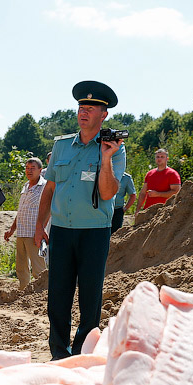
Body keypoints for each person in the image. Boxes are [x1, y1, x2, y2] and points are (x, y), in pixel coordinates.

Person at [34, 80, 127, 359]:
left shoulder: (114, 149)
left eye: (91, 108)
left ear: (103, 115)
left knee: (90, 298)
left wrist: (106, 158)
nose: (83, 112)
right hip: (61, 231)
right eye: (81, 107)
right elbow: (49, 188)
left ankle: (82, 353)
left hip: (94, 232)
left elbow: (108, 193)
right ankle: (58, 353)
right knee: (58, 296)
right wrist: (40, 225)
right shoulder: (62, 146)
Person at [4, 157, 47, 290]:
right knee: (21, 266)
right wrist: (12, 230)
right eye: (27, 168)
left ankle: (42, 293)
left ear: (40, 170)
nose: (29, 171)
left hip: (35, 233)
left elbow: (48, 209)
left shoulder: (44, 187)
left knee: (38, 266)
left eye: (32, 168)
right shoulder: (26, 186)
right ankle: (23, 292)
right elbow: (21, 210)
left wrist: (42, 229)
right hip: (22, 232)